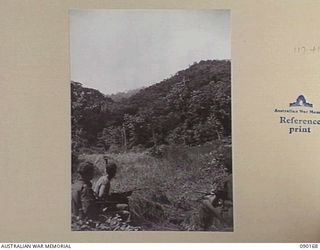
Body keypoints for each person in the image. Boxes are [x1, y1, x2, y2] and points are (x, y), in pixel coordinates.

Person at [198, 158, 233, 231]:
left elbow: (214, 202)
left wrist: (213, 195)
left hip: (230, 215)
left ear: (226, 168)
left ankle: (203, 229)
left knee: (204, 202)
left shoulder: (227, 180)